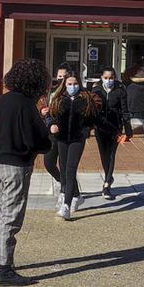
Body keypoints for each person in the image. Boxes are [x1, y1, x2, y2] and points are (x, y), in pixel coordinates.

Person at [0, 58, 52, 287]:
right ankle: (3, 269)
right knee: (12, 217)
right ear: (36, 81)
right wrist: (45, 125)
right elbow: (37, 139)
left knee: (2, 211)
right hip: (16, 165)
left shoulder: (2, 100)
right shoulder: (25, 105)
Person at [45, 74, 102, 221]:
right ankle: (72, 194)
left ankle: (66, 206)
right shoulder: (58, 99)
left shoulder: (86, 99)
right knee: (63, 169)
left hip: (77, 139)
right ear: (64, 85)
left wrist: (86, 130)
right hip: (62, 139)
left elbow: (94, 118)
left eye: (75, 83)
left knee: (70, 170)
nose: (72, 86)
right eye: (69, 84)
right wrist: (51, 125)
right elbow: (50, 116)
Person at [89, 67, 127, 199]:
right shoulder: (96, 91)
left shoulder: (120, 91)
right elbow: (91, 111)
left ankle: (106, 185)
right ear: (101, 78)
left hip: (115, 128)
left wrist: (127, 129)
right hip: (100, 128)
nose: (108, 80)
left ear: (115, 78)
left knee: (111, 154)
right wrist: (89, 127)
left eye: (111, 78)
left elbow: (124, 111)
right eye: (106, 78)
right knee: (103, 155)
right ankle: (109, 177)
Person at [42, 63, 70, 202]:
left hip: (66, 134)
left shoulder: (71, 93)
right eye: (59, 76)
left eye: (65, 77)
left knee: (65, 164)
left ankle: (67, 190)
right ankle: (61, 182)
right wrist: (44, 113)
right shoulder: (51, 91)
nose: (62, 79)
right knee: (49, 163)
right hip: (52, 132)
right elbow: (44, 106)